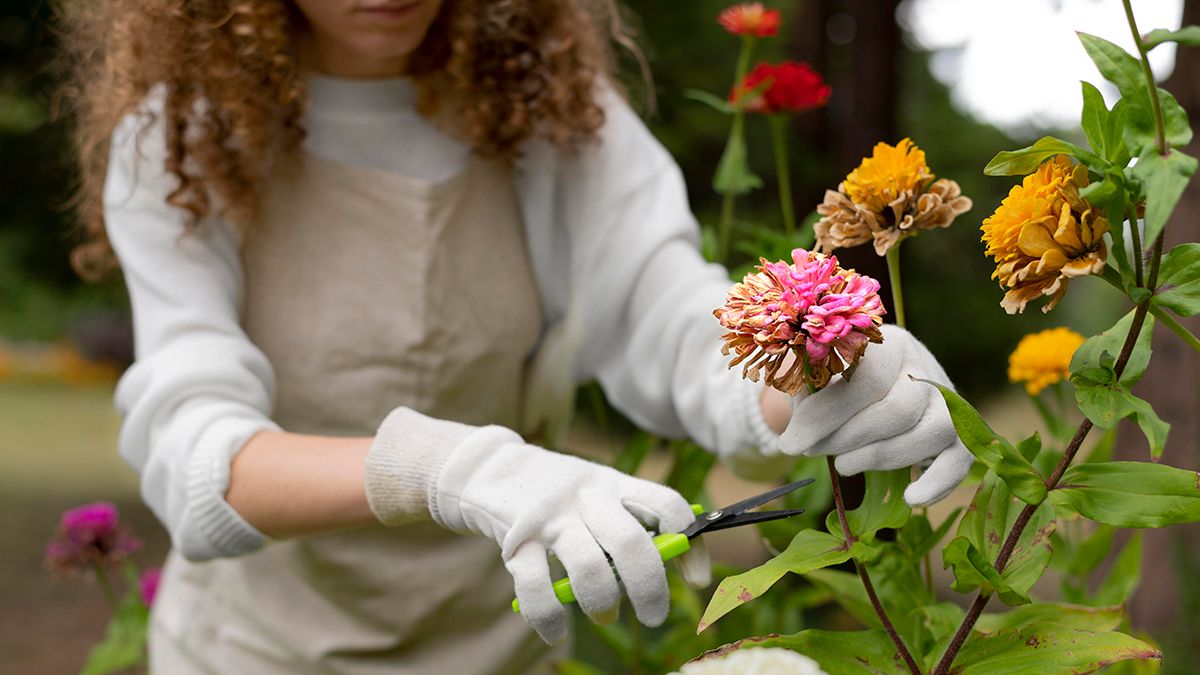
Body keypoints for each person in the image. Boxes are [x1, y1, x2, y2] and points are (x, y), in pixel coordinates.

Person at [63, 0, 973, 672]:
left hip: (500, 643)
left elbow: (666, 320)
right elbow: (198, 461)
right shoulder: (179, 139)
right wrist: (448, 468)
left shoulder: (550, 112)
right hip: (252, 649)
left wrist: (817, 367)